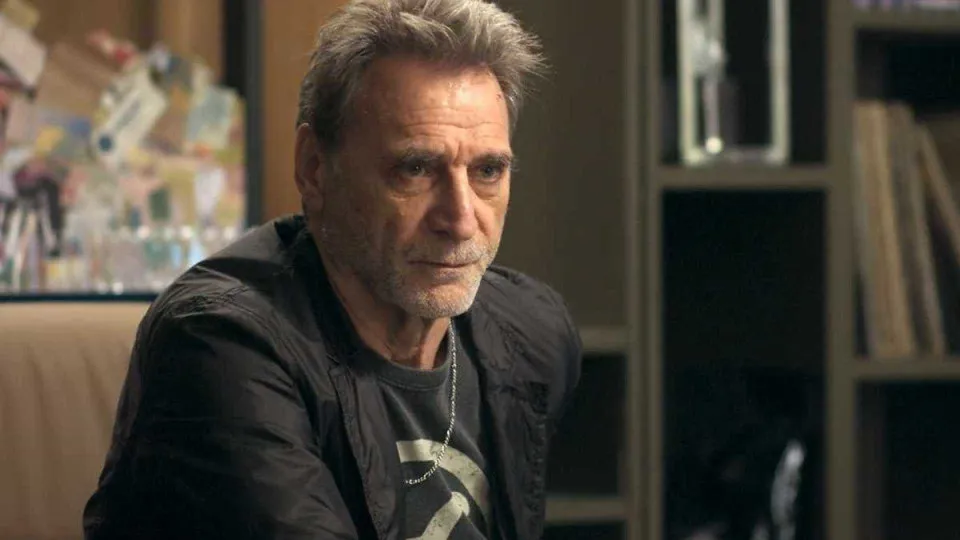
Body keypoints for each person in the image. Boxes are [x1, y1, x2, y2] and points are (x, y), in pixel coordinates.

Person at [83, 0, 582, 538]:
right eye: (415, 168)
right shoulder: (219, 344)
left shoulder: (530, 334)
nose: (461, 220)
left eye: (487, 171)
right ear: (315, 168)